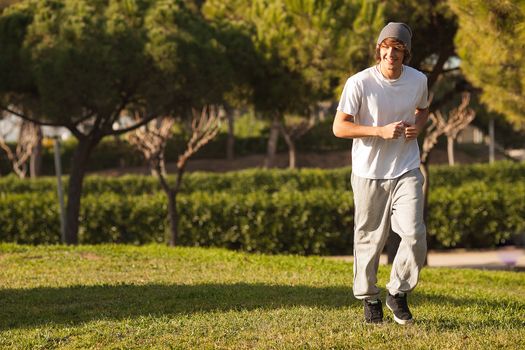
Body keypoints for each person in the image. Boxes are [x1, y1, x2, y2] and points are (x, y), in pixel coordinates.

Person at [332, 22, 429, 325]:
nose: (391, 54)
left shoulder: (418, 80)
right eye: (386, 47)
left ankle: (397, 292)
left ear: (405, 52)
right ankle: (369, 297)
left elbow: (423, 108)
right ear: (379, 50)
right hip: (368, 172)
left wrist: (418, 127)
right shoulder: (359, 83)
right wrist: (379, 132)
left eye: (397, 48)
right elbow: (339, 127)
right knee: (369, 239)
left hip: (406, 168)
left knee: (414, 234)